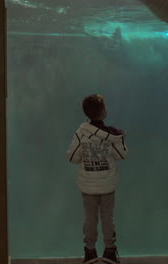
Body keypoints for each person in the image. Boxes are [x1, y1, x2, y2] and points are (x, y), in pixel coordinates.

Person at [67, 94, 128, 264]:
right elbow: (121, 155)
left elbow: (72, 157)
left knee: (90, 219)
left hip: (88, 187)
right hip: (107, 185)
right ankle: (109, 252)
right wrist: (122, 138)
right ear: (103, 112)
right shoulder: (111, 134)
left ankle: (90, 252)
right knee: (108, 218)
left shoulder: (81, 133)